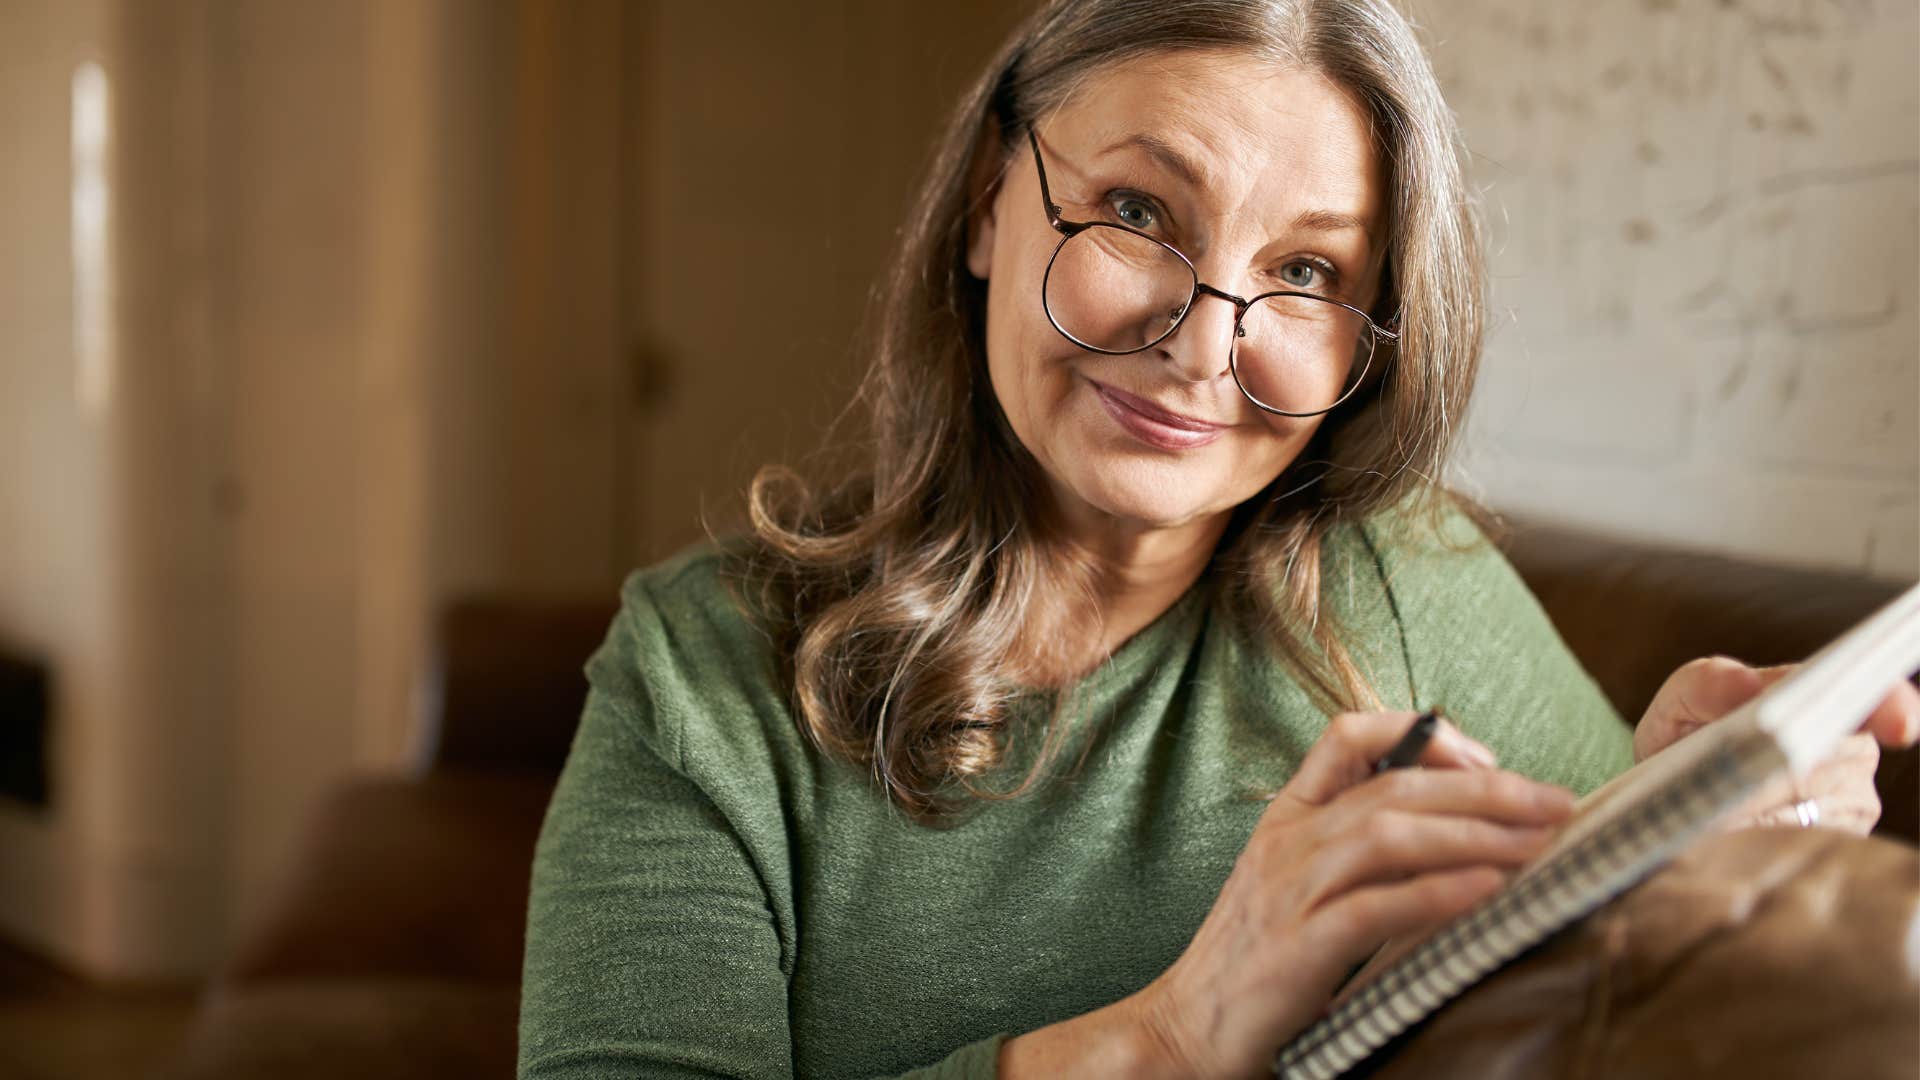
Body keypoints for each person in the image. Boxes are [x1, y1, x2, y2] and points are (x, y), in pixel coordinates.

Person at [516, 1, 1920, 1077]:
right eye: (1138, 213)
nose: (1202, 350)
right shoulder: (701, 674)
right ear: (986, 204)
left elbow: (1587, 982)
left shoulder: (1407, 580)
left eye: (1306, 273)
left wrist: (1689, 833)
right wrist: (1167, 1039)